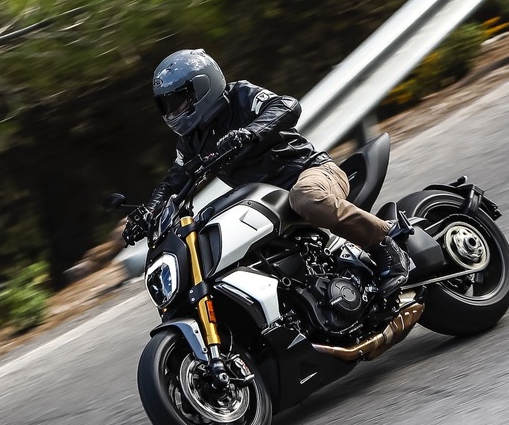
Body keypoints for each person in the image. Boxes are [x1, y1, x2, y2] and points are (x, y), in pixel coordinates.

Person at [122, 48, 411, 297]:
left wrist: (250, 131)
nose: (173, 110)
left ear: (202, 87)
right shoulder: (190, 141)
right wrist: (149, 211)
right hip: (268, 203)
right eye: (167, 104)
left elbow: (286, 105)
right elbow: (174, 180)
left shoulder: (240, 96)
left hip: (311, 173)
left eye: (178, 100)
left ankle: (385, 242)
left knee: (305, 197)